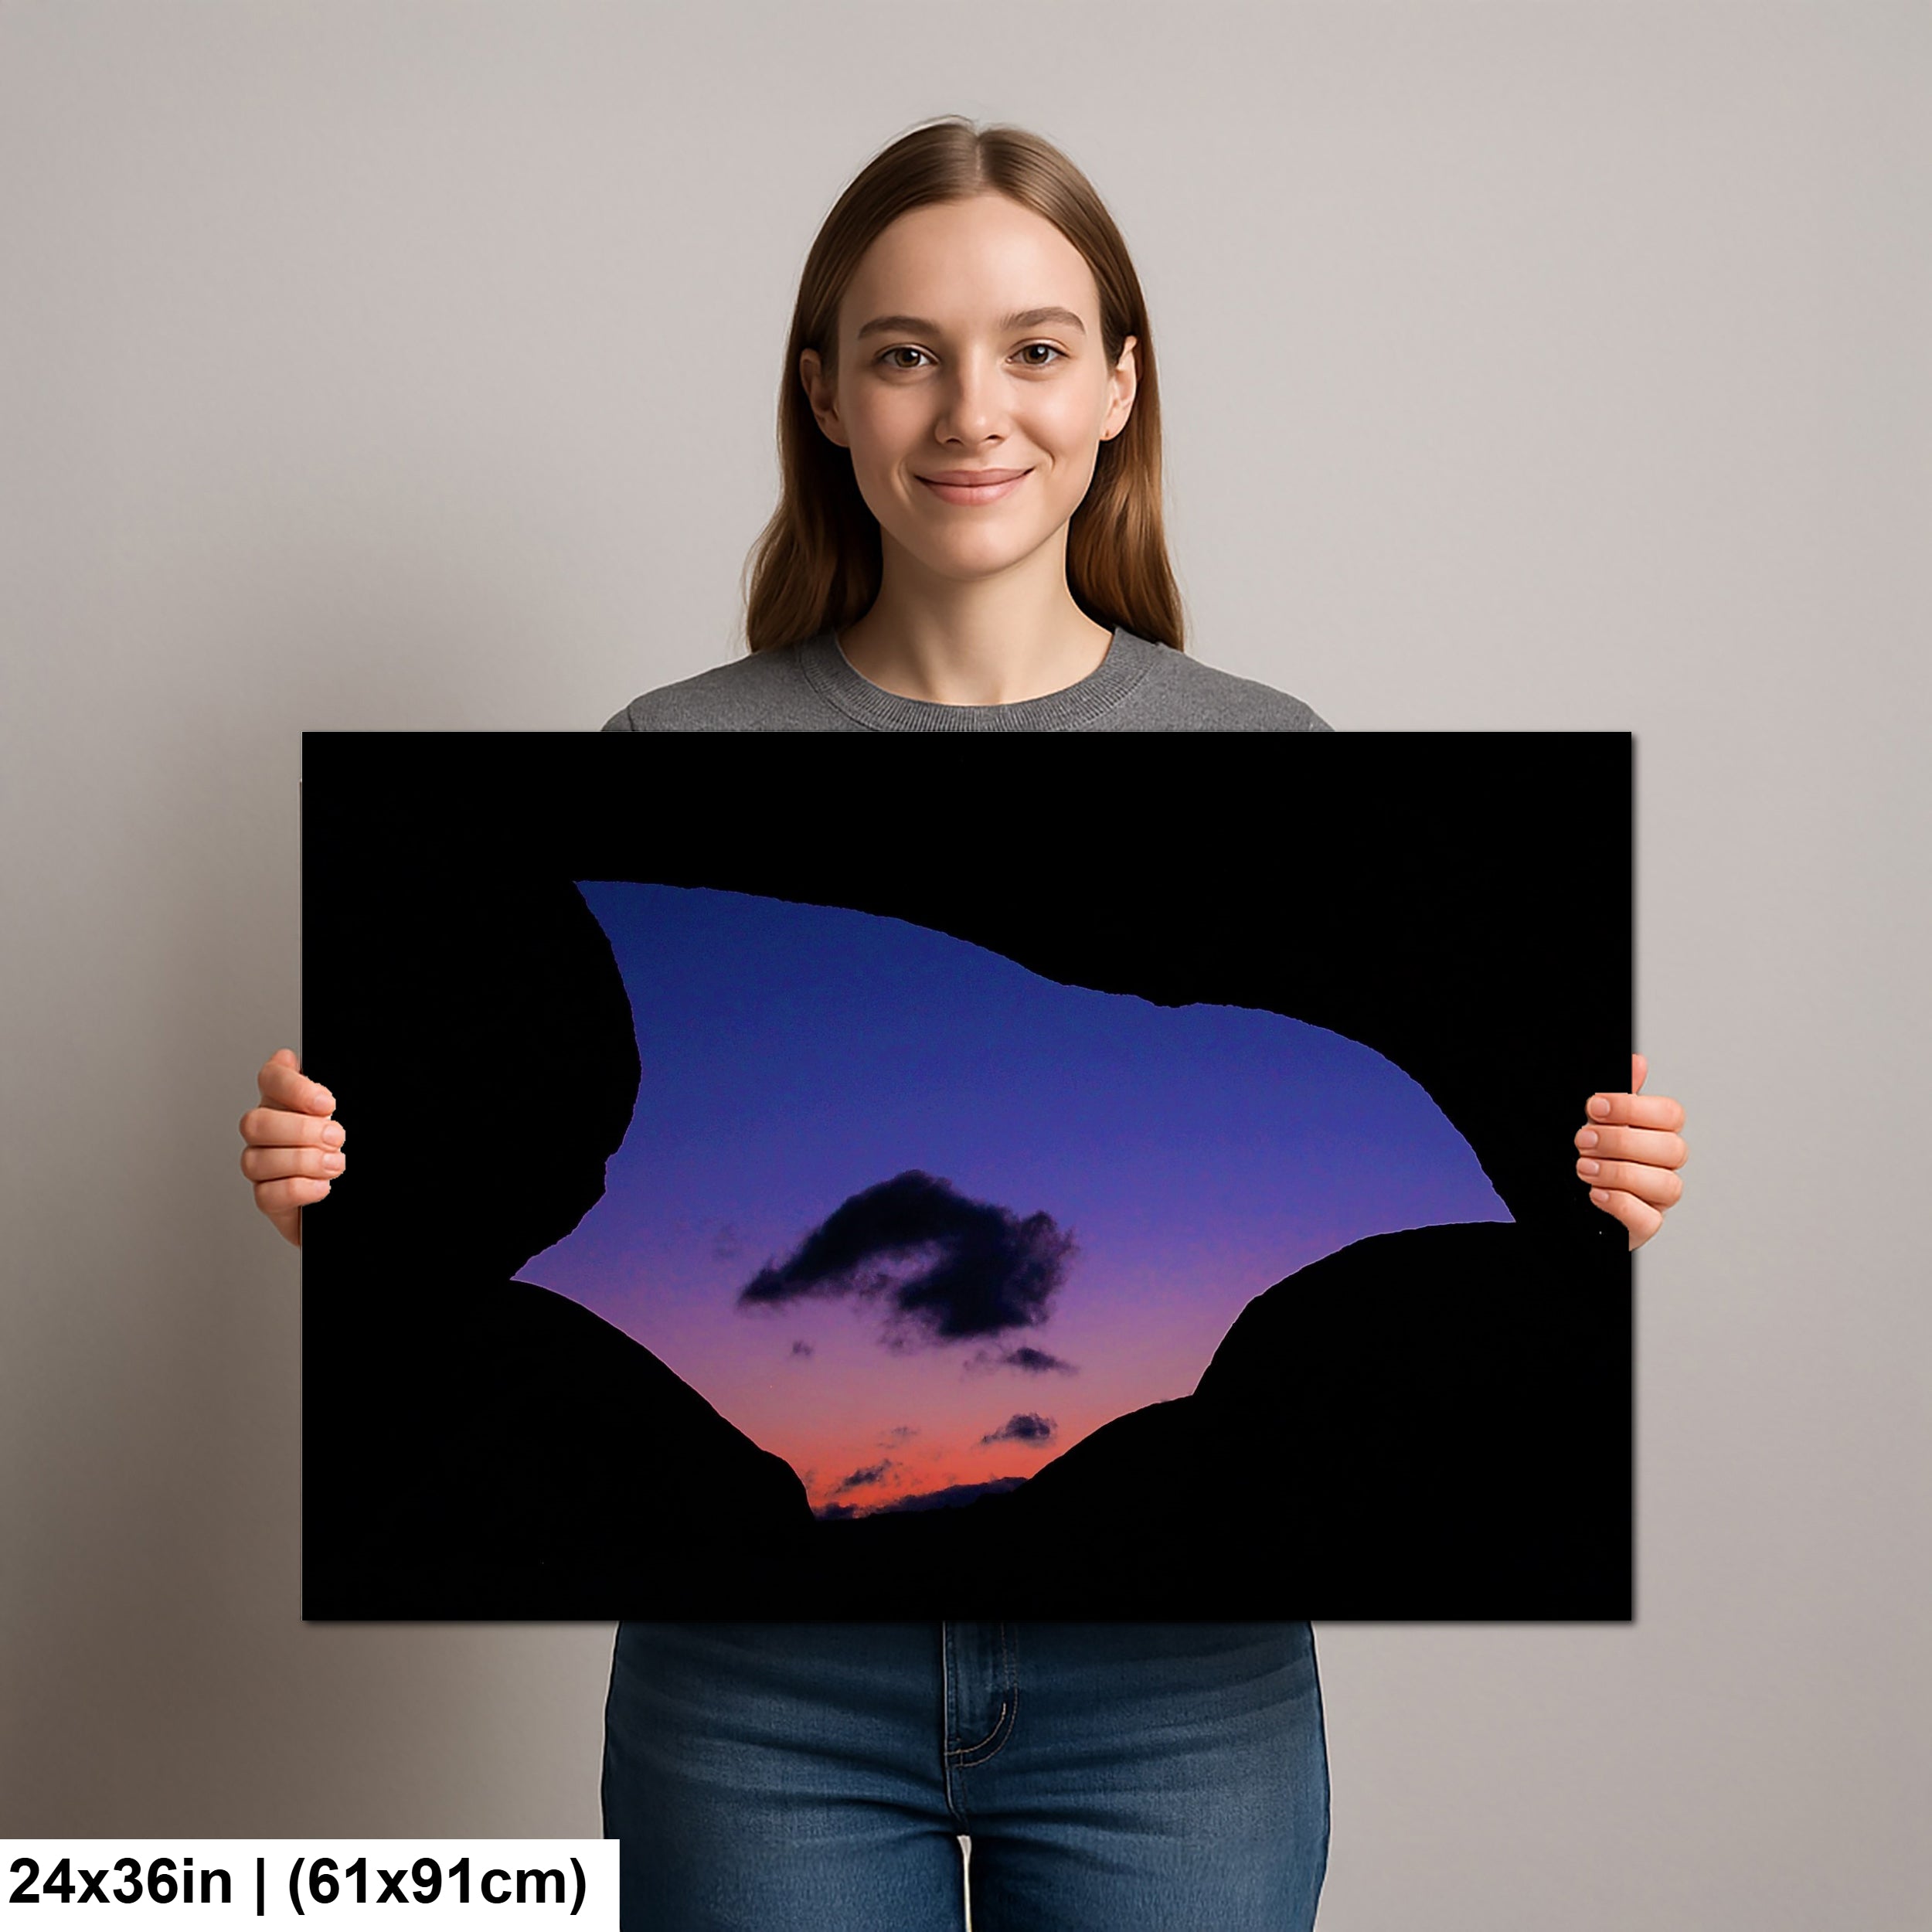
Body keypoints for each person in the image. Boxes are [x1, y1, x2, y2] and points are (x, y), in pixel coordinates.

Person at [238, 117, 1689, 1931]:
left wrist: (1590, 1183)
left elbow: (1434, 1272)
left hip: (1180, 1684)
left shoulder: (1273, 769)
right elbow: (505, 1200)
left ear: (1115, 390)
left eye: (1033, 346)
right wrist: (354, 1192)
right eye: (905, 352)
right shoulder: (665, 766)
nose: (969, 409)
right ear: (826, 395)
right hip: (757, 1681)